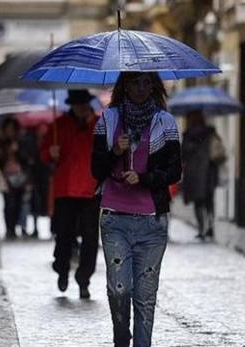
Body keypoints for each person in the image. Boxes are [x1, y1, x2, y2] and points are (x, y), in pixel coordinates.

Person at [92, 72, 181, 347]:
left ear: (154, 86)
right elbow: (95, 170)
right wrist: (116, 154)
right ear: (124, 86)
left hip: (152, 223)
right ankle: (121, 336)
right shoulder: (108, 121)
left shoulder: (165, 123)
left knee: (145, 297)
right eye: (134, 82)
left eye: (146, 82)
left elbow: (174, 171)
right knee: (119, 290)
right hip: (115, 219)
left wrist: (143, 178)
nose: (141, 88)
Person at [40, 89, 101, 299]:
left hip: (90, 189)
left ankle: (84, 277)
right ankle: (62, 268)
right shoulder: (59, 125)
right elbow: (44, 154)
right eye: (76, 104)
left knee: (91, 237)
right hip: (65, 188)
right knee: (64, 234)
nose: (80, 107)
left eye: (83, 103)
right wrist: (51, 153)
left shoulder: (99, 124)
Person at [181, 110, 225, 239]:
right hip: (209, 172)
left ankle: (202, 228)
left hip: (194, 174)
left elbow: (183, 154)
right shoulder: (210, 132)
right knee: (209, 201)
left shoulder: (188, 135)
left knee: (198, 203)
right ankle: (210, 226)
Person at [0, 117, 29, 239]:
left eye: (12, 129)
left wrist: (17, 151)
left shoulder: (21, 142)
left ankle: (15, 226)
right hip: (6, 176)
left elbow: (26, 159)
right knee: (8, 203)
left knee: (18, 203)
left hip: (20, 176)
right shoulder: (2, 143)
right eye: (8, 129)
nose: (10, 131)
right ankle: (9, 228)